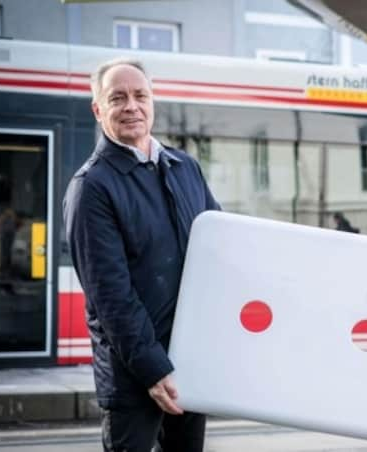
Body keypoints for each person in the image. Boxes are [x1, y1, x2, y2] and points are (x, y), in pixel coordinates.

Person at [63, 58, 220, 452]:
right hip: (134, 378)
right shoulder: (91, 187)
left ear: (153, 103)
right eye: (117, 98)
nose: (131, 106)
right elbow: (111, 296)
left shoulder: (186, 168)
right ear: (98, 109)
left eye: (140, 95)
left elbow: (220, 249)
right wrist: (153, 369)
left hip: (188, 364)